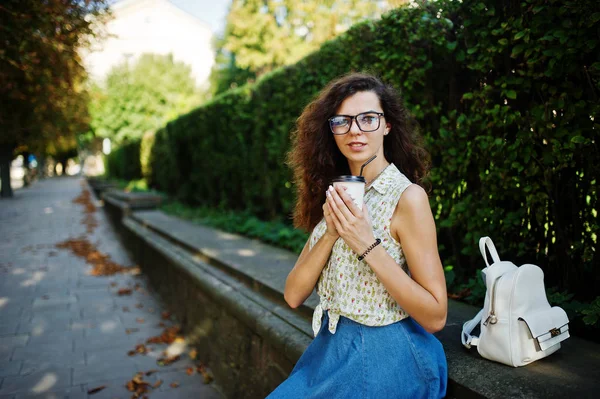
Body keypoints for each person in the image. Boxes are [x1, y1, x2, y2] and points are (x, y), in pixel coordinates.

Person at [266, 73, 448, 398]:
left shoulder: (407, 198)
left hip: (385, 354)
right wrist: (332, 233)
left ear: (387, 125)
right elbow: (293, 295)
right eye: (342, 121)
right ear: (331, 129)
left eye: (368, 118)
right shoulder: (337, 191)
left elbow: (436, 316)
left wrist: (366, 243)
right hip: (330, 349)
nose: (355, 130)